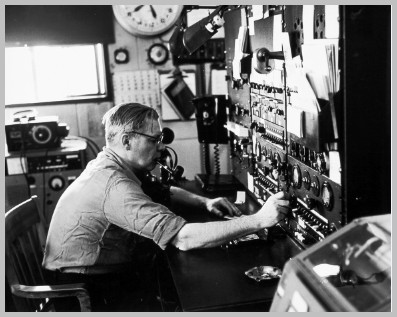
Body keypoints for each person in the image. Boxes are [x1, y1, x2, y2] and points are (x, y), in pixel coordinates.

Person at [42, 102, 290, 311]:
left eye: (161, 139)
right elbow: (183, 238)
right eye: (154, 140)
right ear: (127, 141)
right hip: (82, 288)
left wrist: (204, 201)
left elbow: (162, 190)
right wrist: (259, 220)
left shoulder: (111, 163)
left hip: (98, 270)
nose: (161, 147)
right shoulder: (114, 185)